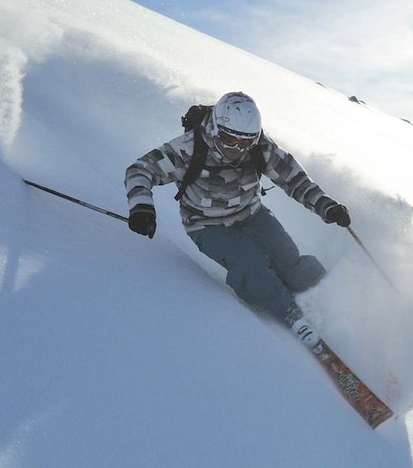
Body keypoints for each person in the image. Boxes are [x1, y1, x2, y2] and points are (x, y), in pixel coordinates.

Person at [124, 92, 351, 343]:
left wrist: (326, 206)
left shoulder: (261, 149)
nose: (236, 149)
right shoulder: (188, 149)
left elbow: (294, 179)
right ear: (216, 129)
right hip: (207, 224)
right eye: (229, 140)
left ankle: (329, 296)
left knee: (292, 266)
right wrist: (141, 206)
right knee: (252, 269)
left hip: (252, 215)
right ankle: (291, 316)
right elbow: (141, 169)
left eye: (244, 144)